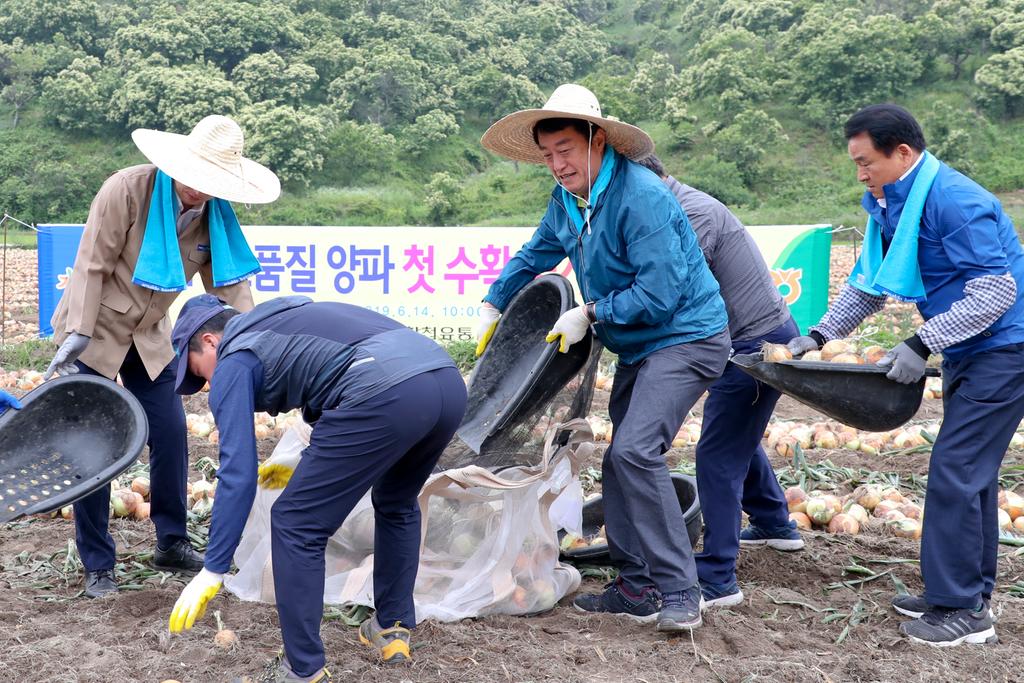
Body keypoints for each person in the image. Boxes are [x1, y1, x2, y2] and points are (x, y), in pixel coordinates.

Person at [476, 84, 730, 632]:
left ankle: (681, 590)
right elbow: (536, 254)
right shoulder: (567, 200)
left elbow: (660, 294)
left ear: (597, 140)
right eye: (548, 155)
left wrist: (590, 312)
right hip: (639, 344)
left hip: (687, 337)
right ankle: (637, 586)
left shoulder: (642, 197)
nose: (557, 164)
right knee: (619, 461)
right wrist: (493, 302)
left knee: (636, 451)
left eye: (566, 150)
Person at [787, 103, 1024, 646]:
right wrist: (820, 335)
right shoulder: (890, 203)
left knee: (956, 470)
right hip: (968, 347)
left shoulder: (954, 201)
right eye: (855, 163)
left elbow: (996, 292)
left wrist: (921, 342)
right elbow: (869, 285)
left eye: (865, 162)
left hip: (1005, 348)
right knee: (972, 475)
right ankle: (964, 593)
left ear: (902, 153)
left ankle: (962, 610)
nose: (860, 174)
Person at [166, 294, 466, 682]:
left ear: (210, 341)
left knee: (295, 523)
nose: (208, 384)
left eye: (199, 372)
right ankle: (392, 628)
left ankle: (303, 670)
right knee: (397, 501)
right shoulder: (282, 318)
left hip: (384, 389)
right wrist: (296, 468)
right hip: (444, 381)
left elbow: (237, 473)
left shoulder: (233, 360)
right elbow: (332, 392)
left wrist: (213, 568)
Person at [46, 115, 280, 598]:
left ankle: (171, 541)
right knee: (93, 444)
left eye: (212, 182)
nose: (199, 189)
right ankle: (98, 563)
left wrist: (260, 341)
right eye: (196, 176)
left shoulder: (213, 216)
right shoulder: (127, 190)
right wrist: (78, 332)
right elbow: (91, 264)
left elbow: (231, 286)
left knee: (171, 432)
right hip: (95, 329)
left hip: (150, 334)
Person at [636, 154, 804, 609]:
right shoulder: (680, 205)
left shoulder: (693, 214)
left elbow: (671, 291)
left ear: (647, 181)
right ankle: (773, 522)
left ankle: (717, 577)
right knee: (735, 435)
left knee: (716, 454)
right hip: (748, 336)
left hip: (755, 344)